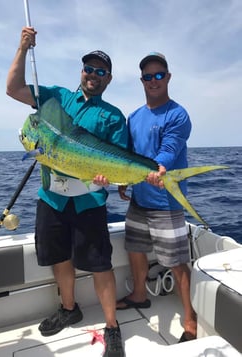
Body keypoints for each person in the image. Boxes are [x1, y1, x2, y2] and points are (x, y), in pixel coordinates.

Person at [6, 27, 128, 357]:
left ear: (108, 79)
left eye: (101, 71)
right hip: (52, 197)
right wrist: (21, 48)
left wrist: (113, 181)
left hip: (90, 198)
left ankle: (112, 326)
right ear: (82, 71)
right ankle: (69, 308)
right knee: (60, 258)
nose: (93, 75)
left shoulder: (113, 116)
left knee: (100, 264)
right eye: (89, 68)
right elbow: (14, 88)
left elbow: (120, 163)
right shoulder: (57, 98)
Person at [116, 52, 197, 342]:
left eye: (159, 75)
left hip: (167, 202)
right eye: (148, 76)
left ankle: (189, 319)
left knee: (176, 261)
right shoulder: (134, 117)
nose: (153, 81)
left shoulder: (178, 114)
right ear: (142, 80)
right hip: (140, 199)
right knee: (134, 249)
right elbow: (127, 154)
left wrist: (159, 167)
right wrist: (124, 181)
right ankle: (139, 295)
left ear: (168, 77)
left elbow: (169, 148)